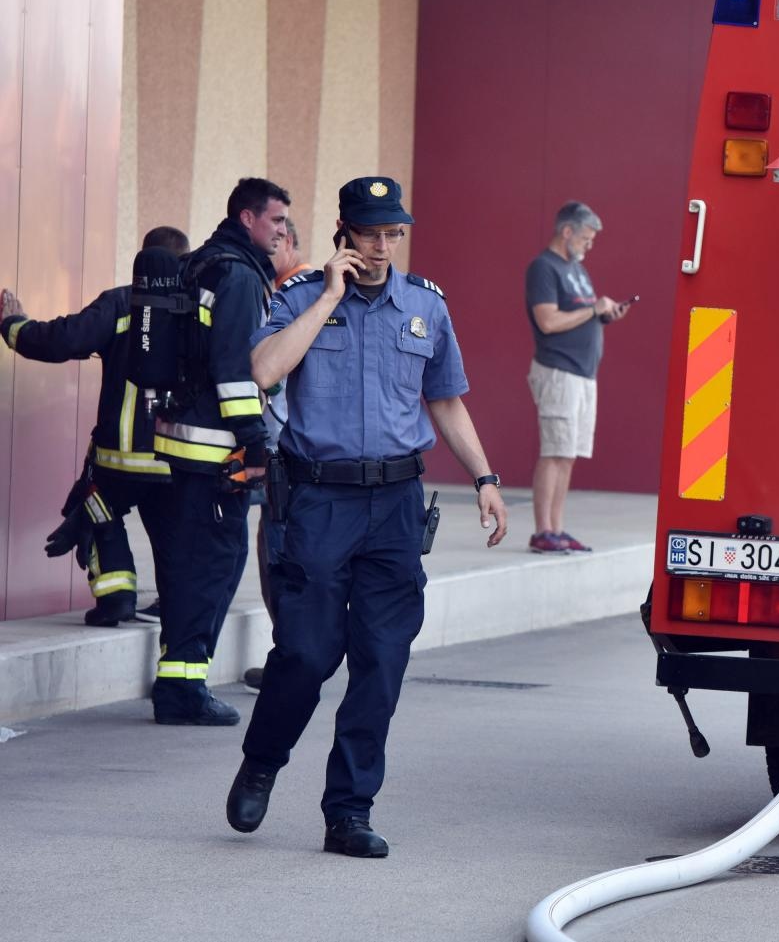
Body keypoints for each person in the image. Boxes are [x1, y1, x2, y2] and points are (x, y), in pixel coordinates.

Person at [226, 175, 508, 858]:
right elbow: (263, 370)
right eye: (371, 233)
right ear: (344, 233)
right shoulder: (300, 297)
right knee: (308, 653)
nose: (383, 247)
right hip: (320, 501)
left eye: (393, 234)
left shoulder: (425, 307)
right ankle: (263, 760)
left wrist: (485, 476)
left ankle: (348, 810)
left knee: (381, 661)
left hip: (395, 506)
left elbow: (444, 400)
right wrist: (327, 295)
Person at [143, 178, 286, 725]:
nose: (282, 231)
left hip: (180, 442)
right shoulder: (240, 276)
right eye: (275, 220)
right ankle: (183, 692)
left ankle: (174, 683)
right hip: (217, 453)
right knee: (213, 569)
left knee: (185, 566)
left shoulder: (199, 263)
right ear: (248, 218)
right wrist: (254, 443)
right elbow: (235, 368)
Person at [0, 226, 190, 627]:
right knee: (175, 539)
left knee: (91, 508)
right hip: (178, 457)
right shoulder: (197, 310)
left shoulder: (122, 302)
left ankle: (116, 597)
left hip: (120, 458)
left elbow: (62, 340)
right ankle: (177, 610)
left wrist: (14, 325)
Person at [524, 201, 630, 553]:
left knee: (568, 452)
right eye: (586, 237)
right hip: (558, 371)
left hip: (584, 375)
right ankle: (543, 531)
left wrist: (605, 315)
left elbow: (584, 315)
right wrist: (592, 309)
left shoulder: (577, 270)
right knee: (554, 450)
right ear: (566, 231)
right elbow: (548, 321)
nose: (589, 244)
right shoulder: (544, 267)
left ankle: (557, 527)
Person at [243, 217, 315, 691]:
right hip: (288, 451)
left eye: (272, 241)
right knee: (278, 551)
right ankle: (294, 654)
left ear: (287, 243)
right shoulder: (299, 291)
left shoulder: (298, 295)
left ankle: (292, 660)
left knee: (281, 557)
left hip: (286, 452)